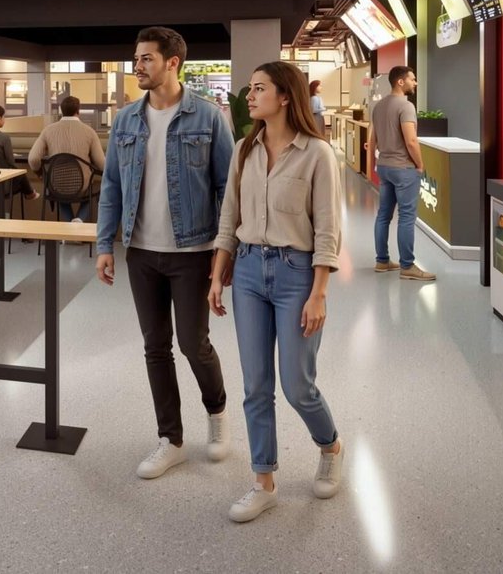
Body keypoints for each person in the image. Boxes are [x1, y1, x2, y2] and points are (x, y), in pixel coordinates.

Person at [208, 62, 344, 522]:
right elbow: (230, 215)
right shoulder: (245, 149)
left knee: (297, 384)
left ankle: (330, 445)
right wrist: (217, 272)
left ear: (285, 96)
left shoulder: (316, 155)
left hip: (296, 275)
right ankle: (263, 480)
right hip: (247, 270)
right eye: (250, 89)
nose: (250, 95)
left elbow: (328, 228)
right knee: (255, 386)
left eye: (259, 88)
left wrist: (319, 291)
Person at [97, 27, 235, 479]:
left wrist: (225, 254)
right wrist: (105, 244)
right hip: (141, 251)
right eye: (135, 58)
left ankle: (216, 414)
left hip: (193, 249)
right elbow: (112, 186)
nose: (137, 66)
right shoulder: (125, 120)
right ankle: (170, 439)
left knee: (193, 344)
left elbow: (227, 191)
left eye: (146, 59)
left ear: (173, 62)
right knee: (155, 347)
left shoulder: (209, 117)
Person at [365, 66, 434, 281]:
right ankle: (407, 266)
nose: (415, 83)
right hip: (403, 168)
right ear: (401, 82)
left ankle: (382, 261)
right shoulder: (406, 106)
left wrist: (371, 168)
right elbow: (411, 141)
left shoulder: (378, 106)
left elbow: (372, 139)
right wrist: (420, 164)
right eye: (413, 79)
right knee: (406, 217)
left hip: (384, 166)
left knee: (383, 215)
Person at [27, 96, 106, 223]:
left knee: (57, 189)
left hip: (56, 185)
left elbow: (33, 158)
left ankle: (70, 223)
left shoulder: (48, 131)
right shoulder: (89, 132)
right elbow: (103, 165)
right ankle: (79, 219)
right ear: (78, 111)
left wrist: (40, 173)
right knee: (97, 188)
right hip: (83, 186)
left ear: (61, 110)